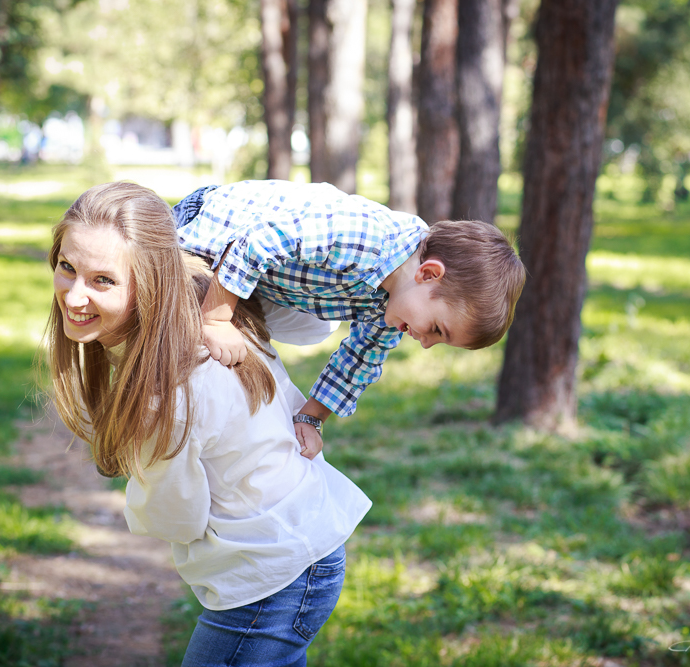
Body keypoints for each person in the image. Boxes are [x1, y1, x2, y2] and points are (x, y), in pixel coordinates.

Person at [43, 182, 371, 666]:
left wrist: (143, 491)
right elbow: (313, 326)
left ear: (151, 281)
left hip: (271, 580)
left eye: (103, 281)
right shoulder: (210, 304)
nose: (74, 296)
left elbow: (176, 516)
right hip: (297, 547)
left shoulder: (166, 392)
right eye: (67, 267)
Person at [171, 180, 526, 459]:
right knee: (189, 336)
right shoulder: (367, 239)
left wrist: (311, 418)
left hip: (258, 279)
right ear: (429, 274)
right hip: (204, 229)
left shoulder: (393, 304)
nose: (427, 341)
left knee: (312, 333)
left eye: (438, 340)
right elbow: (259, 240)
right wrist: (216, 320)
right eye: (436, 329)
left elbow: (358, 361)